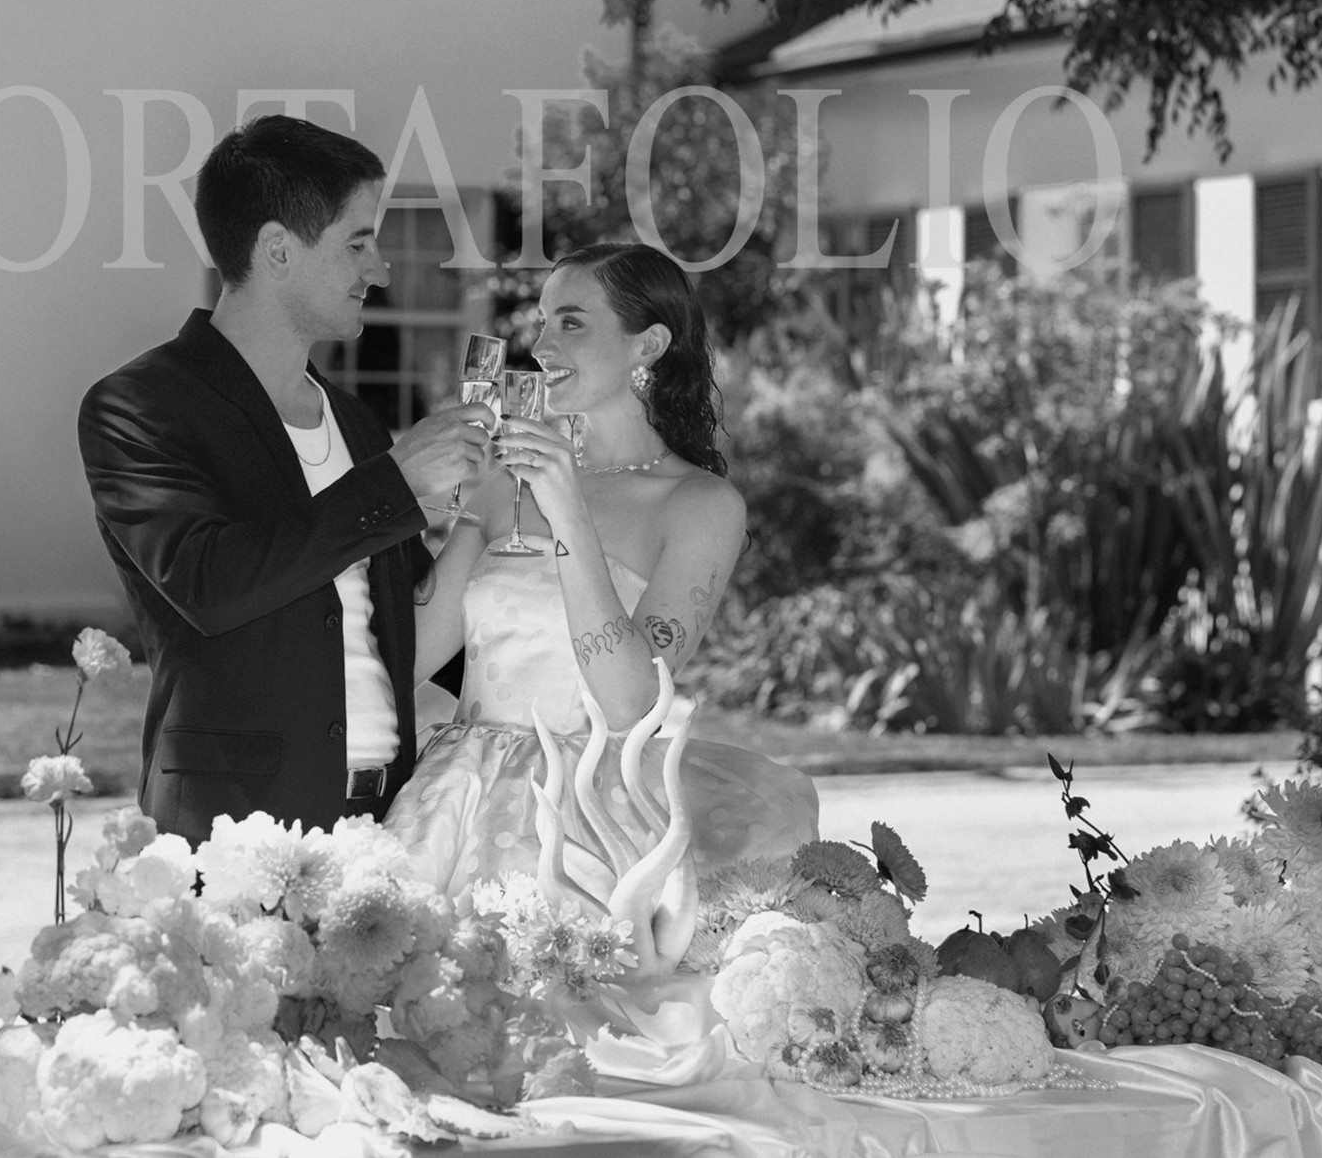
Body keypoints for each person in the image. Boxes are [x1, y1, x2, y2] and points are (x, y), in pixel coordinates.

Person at [78, 115, 492, 845]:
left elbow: (415, 629)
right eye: (358, 243)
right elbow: (212, 582)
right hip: (234, 832)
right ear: (278, 250)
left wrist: (505, 525)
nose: (382, 269)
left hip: (384, 832)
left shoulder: (357, 424)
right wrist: (395, 479)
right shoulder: (138, 407)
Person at [384, 243, 820, 893]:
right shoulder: (507, 483)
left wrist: (569, 515)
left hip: (585, 820)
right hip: (451, 801)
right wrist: (404, 500)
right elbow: (410, 658)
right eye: (542, 320)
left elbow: (630, 702)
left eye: (572, 322)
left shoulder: (700, 504)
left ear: (647, 345)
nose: (543, 344)